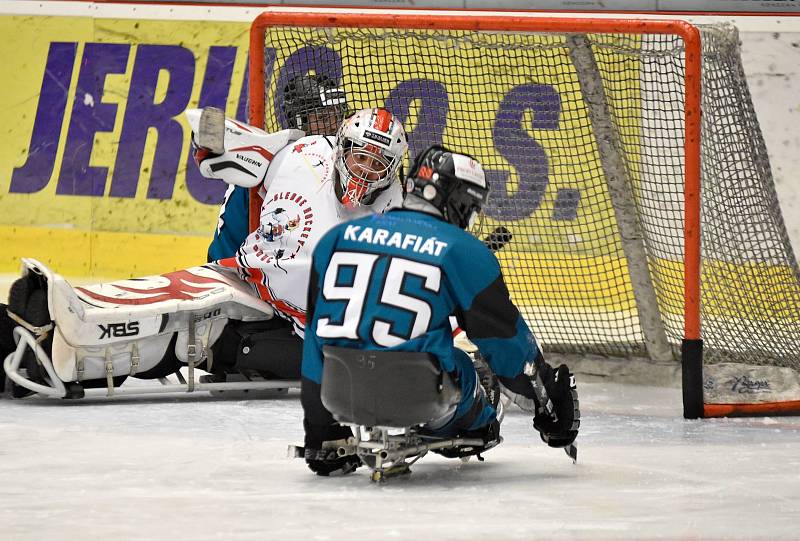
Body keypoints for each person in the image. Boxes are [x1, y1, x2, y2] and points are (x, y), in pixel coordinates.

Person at [1, 106, 408, 397]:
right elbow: (253, 151)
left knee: (192, 335)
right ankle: (31, 325)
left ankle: (53, 356)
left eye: (377, 163)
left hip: (304, 331)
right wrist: (221, 143)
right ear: (341, 148)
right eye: (359, 155)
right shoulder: (309, 153)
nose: (364, 169)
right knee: (164, 296)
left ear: (392, 169)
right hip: (243, 277)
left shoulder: (394, 216)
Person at [300, 145, 581, 476]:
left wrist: (321, 435)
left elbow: (314, 341)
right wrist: (550, 405)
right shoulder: (464, 250)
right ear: (460, 201)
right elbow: (506, 346)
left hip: (337, 392)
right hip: (418, 396)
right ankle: (475, 428)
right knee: (468, 367)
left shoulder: (336, 237)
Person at [207, 74, 347, 262]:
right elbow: (226, 250)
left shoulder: (348, 168)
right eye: (322, 118)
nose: (333, 126)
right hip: (250, 275)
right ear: (298, 120)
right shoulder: (266, 168)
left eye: (337, 116)